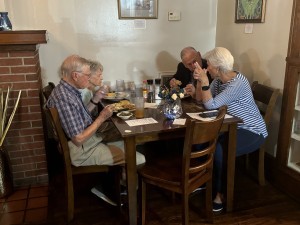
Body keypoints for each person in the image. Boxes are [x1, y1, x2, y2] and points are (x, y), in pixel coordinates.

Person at [47, 54, 145, 206]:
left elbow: (79, 116)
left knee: (127, 138)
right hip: (81, 150)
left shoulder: (67, 91)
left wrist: (95, 100)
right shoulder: (64, 98)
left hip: (86, 143)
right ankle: (121, 194)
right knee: (139, 158)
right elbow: (78, 138)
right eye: (87, 75)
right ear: (75, 75)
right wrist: (101, 117)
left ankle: (113, 183)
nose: (88, 79)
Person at [191, 47, 267, 212]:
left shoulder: (238, 83)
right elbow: (200, 99)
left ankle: (220, 193)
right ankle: (205, 181)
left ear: (218, 68)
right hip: (231, 126)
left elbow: (210, 104)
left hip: (251, 129)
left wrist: (204, 82)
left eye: (209, 65)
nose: (207, 68)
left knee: (219, 151)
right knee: (200, 142)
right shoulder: (219, 80)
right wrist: (199, 81)